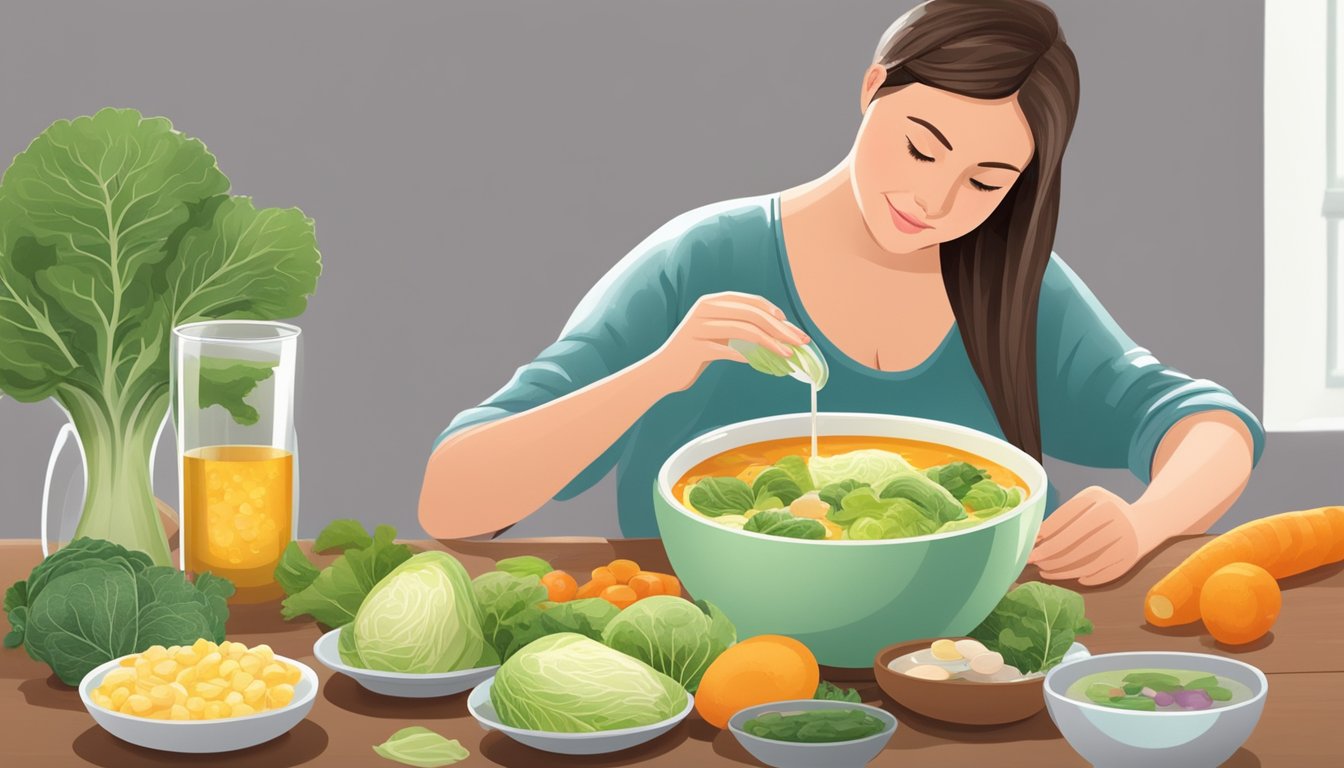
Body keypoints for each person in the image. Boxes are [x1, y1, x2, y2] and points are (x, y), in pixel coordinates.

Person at [420, 0, 1262, 585]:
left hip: (942, 667)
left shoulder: (1010, 287)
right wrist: (661, 371)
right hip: (702, 673)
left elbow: (1211, 428)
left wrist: (1145, 523)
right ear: (872, 90)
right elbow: (452, 499)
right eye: (922, 147)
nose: (933, 203)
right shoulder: (702, 259)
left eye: (986, 182)